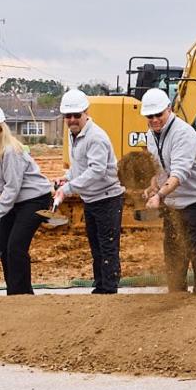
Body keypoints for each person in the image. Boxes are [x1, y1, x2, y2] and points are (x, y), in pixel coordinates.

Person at [140, 88, 196, 293]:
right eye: (150, 116)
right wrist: (152, 186)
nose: (155, 119)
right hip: (173, 200)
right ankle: (177, 294)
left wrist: (159, 196)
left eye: (159, 115)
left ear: (169, 109)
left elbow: (179, 173)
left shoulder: (183, 133)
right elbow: (158, 167)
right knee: (173, 251)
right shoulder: (151, 135)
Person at [0, 104, 53, 295]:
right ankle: (13, 292)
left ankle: (22, 295)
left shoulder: (10, 151)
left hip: (35, 199)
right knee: (3, 245)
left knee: (16, 246)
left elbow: (12, 188)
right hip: (15, 201)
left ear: (1, 127)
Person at [54, 89, 125, 294]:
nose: (73, 119)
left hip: (107, 199)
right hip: (91, 199)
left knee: (107, 246)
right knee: (96, 246)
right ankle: (100, 285)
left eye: (77, 115)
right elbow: (80, 165)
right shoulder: (74, 134)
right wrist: (67, 177)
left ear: (86, 112)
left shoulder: (96, 137)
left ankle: (109, 289)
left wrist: (67, 189)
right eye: (69, 116)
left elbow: (96, 171)